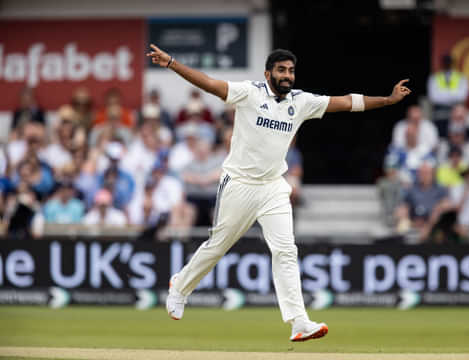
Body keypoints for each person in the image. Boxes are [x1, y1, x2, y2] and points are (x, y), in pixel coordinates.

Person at [147, 44, 411, 341]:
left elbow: (346, 102)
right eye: (282, 70)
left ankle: (299, 321)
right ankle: (180, 286)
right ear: (268, 73)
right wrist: (172, 63)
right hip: (240, 183)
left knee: (286, 250)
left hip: (273, 186)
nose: (288, 75)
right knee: (219, 245)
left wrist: (388, 100)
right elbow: (209, 84)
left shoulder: (301, 101)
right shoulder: (249, 92)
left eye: (291, 71)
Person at [427, 54, 469, 137]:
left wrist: (443, 94)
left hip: (457, 115)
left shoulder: (461, 77)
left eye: (449, 62)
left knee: (457, 136)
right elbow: (433, 98)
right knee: (440, 136)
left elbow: (463, 96)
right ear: (442, 63)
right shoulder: (434, 78)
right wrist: (453, 94)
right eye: (446, 62)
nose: (448, 64)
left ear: (453, 63)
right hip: (440, 115)